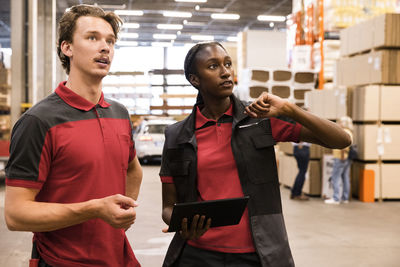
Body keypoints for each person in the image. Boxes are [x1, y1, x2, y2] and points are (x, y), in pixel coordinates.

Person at [159, 41, 351, 267]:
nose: (225, 72)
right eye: (213, 66)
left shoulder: (261, 119)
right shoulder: (177, 136)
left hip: (257, 254)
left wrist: (290, 109)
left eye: (228, 64)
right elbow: (168, 207)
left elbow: (341, 140)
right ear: (195, 79)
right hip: (197, 255)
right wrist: (183, 225)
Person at [4, 5, 142, 267]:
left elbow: (134, 170)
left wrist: (122, 212)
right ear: (67, 48)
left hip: (117, 257)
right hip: (61, 261)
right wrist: (94, 209)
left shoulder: (120, 114)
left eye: (110, 41)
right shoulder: (39, 121)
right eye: (92, 38)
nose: (105, 47)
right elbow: (16, 214)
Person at [325, 116, 354, 205]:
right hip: (346, 158)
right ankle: (345, 198)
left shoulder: (344, 132)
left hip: (340, 157)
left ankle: (336, 198)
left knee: (335, 177)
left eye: (340, 122)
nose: (339, 124)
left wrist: (341, 156)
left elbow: (343, 145)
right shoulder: (349, 132)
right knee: (345, 178)